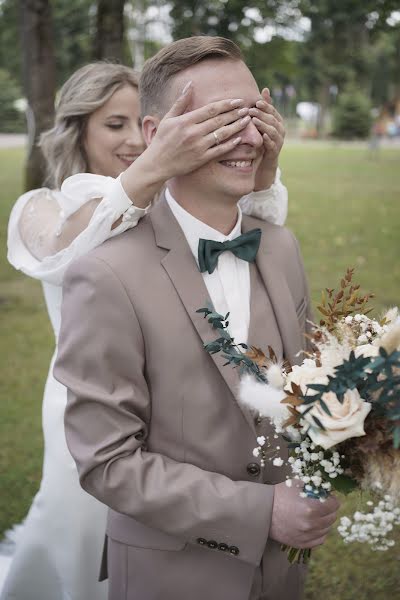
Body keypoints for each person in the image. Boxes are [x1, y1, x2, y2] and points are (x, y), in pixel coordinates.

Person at [54, 38, 340, 600]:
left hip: (284, 575)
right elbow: (107, 463)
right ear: (158, 136)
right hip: (175, 576)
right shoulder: (106, 275)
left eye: (256, 115)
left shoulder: (281, 248)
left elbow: (307, 394)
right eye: (223, 118)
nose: (253, 137)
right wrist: (262, 512)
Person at [3, 60, 288, 600]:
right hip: (84, 403)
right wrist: (156, 167)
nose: (135, 140)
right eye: (115, 124)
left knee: (165, 538)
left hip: (177, 406)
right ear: (78, 128)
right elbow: (70, 251)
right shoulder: (43, 207)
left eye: (144, 123)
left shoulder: (168, 202)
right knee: (80, 537)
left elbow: (251, 246)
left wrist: (258, 169)